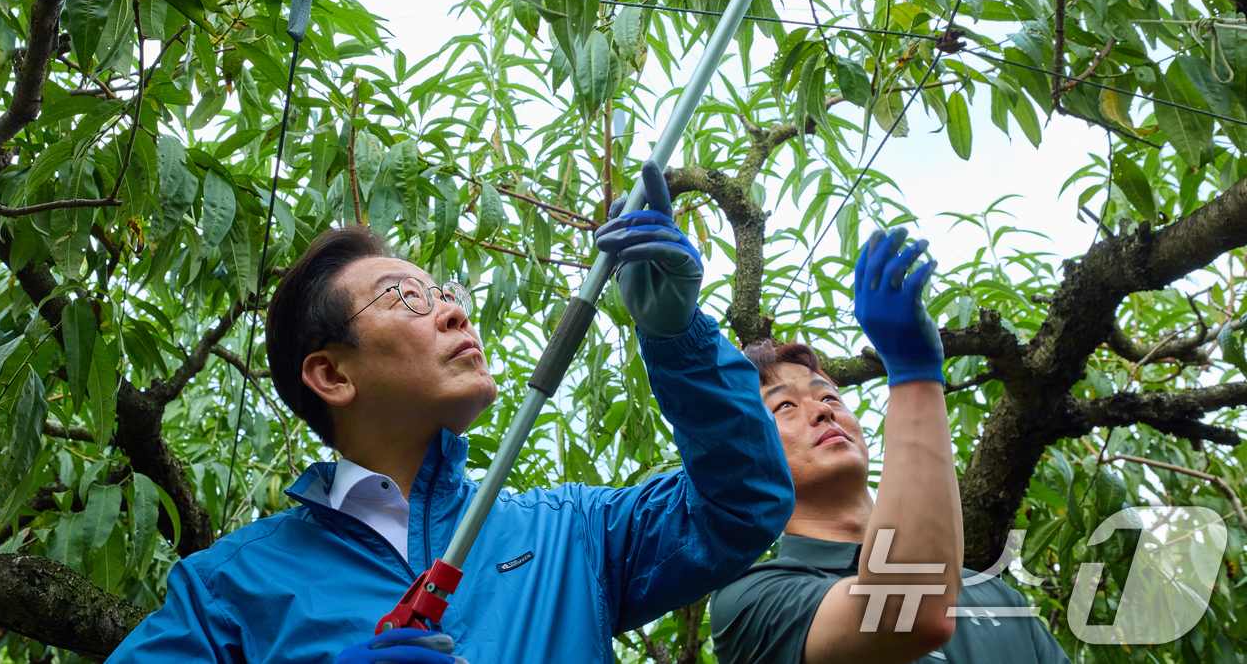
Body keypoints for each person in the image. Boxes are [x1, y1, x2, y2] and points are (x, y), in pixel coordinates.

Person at [107, 161, 794, 664]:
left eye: (445, 291)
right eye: (406, 297)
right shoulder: (229, 587)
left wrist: (679, 338)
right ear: (330, 373)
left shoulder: (572, 534)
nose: (455, 311)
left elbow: (741, 505)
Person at [712, 228, 1070, 664]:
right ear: (748, 458)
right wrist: (915, 373)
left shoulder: (997, 597)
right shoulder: (751, 600)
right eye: (784, 406)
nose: (824, 412)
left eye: (829, 397)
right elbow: (907, 609)